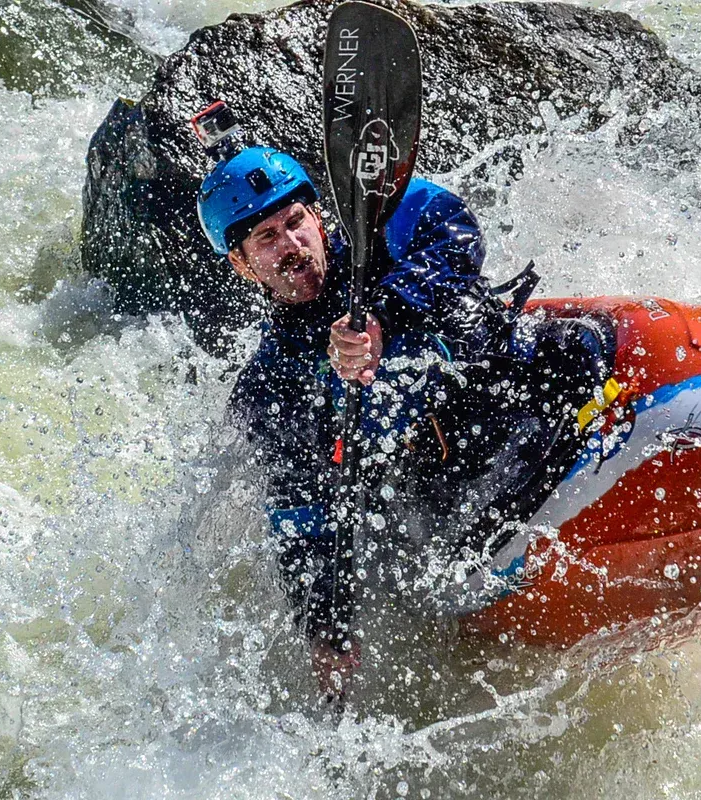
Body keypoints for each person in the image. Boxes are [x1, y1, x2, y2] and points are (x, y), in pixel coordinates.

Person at [198, 145, 613, 699]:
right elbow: (303, 520)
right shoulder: (271, 389)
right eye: (267, 239)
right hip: (473, 503)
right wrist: (328, 631)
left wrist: (383, 315)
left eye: (295, 222)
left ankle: (592, 400)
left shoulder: (381, 227)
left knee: (469, 320)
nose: (292, 247)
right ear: (243, 264)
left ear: (318, 217)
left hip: (537, 403)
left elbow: (455, 226)